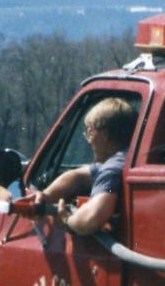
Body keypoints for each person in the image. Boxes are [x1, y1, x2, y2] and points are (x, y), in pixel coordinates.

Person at [31, 96, 137, 236]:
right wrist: (45, 196)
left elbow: (92, 219)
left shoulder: (111, 171)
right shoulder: (126, 159)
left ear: (104, 135)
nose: (89, 141)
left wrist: (68, 220)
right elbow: (79, 177)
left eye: (90, 132)